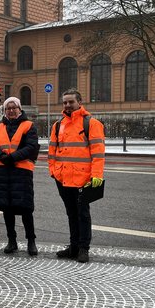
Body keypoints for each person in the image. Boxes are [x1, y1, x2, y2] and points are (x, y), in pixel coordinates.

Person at [48, 89, 105, 263]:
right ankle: (73, 246)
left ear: (79, 102)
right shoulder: (58, 125)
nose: (67, 105)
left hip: (83, 179)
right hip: (63, 178)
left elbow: (98, 153)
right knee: (71, 213)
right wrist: (53, 171)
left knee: (83, 214)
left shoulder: (92, 123)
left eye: (71, 102)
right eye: (64, 102)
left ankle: (83, 248)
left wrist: (96, 175)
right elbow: (52, 152)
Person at [0, 97, 40, 256]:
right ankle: (12, 240)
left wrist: (13, 157)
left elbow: (31, 147)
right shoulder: (0, 126)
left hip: (21, 172)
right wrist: (2, 157)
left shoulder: (28, 126)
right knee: (7, 208)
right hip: (4, 172)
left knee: (25, 208)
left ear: (19, 109)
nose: (11, 110)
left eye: (13, 108)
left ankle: (31, 241)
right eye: (7, 108)